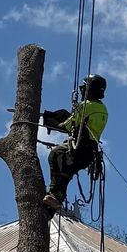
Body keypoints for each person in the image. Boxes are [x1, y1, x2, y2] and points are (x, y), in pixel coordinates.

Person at [41, 75, 108, 216]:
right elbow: (82, 123)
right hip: (89, 153)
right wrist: (68, 115)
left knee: (56, 155)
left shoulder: (85, 106)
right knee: (66, 170)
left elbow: (67, 126)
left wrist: (51, 121)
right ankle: (55, 201)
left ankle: (55, 193)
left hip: (79, 148)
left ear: (88, 89)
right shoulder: (103, 109)